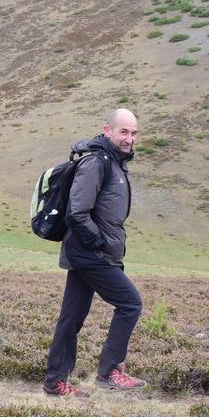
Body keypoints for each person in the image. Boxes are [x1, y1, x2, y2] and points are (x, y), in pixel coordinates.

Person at [43, 108, 147, 396]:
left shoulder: (113, 162)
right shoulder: (96, 162)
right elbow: (78, 212)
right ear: (107, 130)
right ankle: (109, 371)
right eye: (124, 132)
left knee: (71, 317)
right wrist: (99, 242)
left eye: (133, 133)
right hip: (90, 253)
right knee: (130, 304)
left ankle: (55, 382)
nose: (129, 139)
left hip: (89, 253)